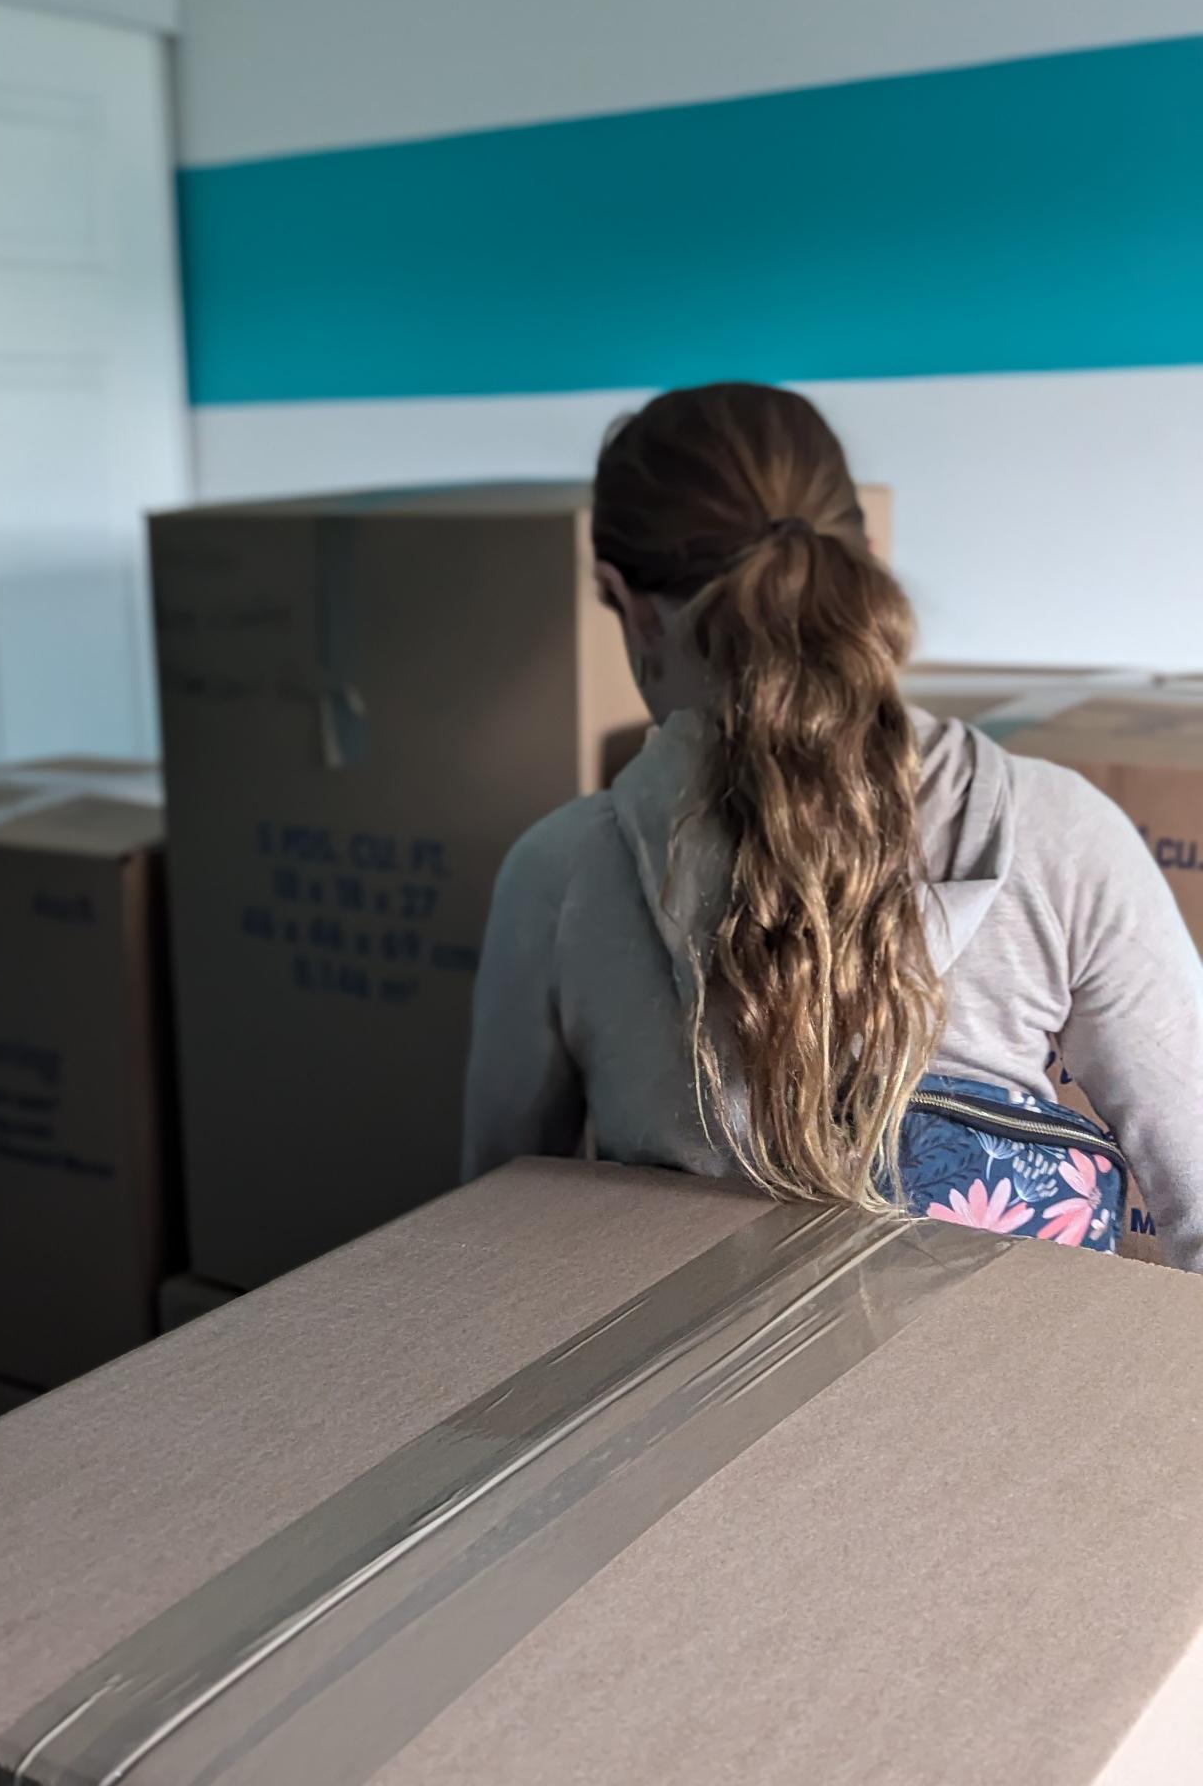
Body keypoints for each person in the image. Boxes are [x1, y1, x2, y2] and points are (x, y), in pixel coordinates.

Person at [462, 383, 1203, 1270]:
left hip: (697, 1399)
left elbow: (493, 1241)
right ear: (864, 554)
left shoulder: (559, 876)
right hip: (1014, 1390)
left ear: (625, 600)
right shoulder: (1065, 832)